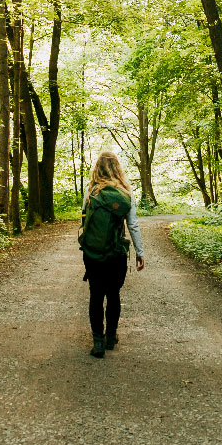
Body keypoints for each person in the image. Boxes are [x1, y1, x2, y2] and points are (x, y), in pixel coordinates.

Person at [78, 150, 144, 358]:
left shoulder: (91, 191)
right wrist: (140, 252)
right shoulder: (125, 192)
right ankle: (111, 337)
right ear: (117, 168)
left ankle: (97, 341)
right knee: (113, 294)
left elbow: (83, 221)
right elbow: (132, 225)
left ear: (97, 168)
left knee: (96, 294)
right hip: (116, 254)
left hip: (93, 253)